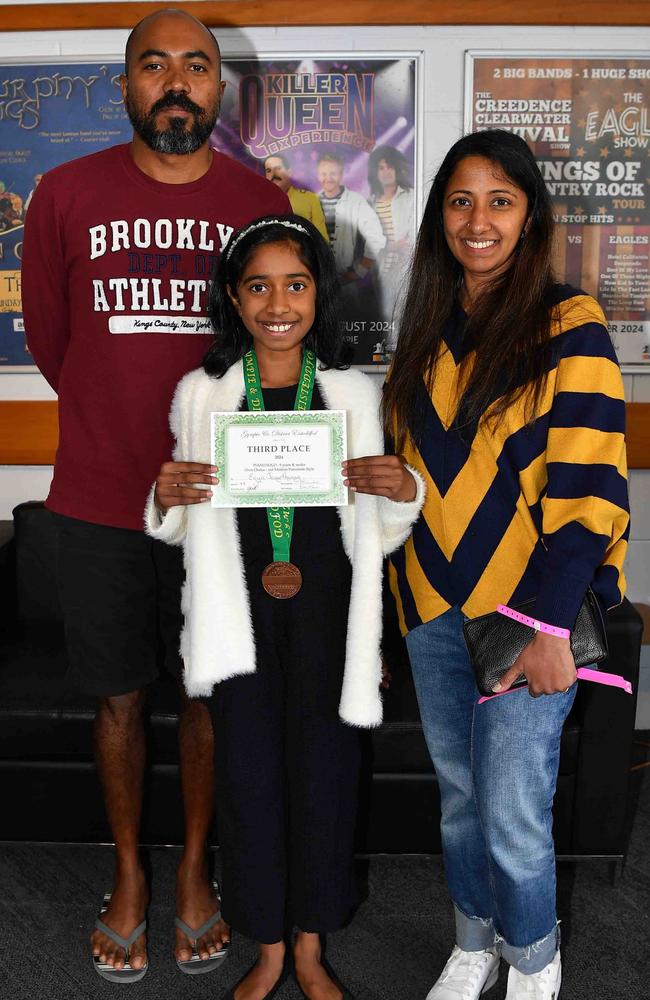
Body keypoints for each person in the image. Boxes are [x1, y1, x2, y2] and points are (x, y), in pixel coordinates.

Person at [21, 9, 289, 983]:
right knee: (120, 698)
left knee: (207, 692)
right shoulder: (63, 191)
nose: (175, 82)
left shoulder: (261, 199)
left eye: (196, 65)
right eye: (153, 65)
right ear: (124, 84)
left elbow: (279, 348)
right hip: (97, 497)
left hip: (223, 503)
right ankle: (131, 873)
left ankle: (192, 875)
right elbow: (53, 341)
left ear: (220, 89)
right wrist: (118, 424)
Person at [145, 214, 425, 1000]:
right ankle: (266, 947)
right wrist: (162, 497)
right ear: (233, 298)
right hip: (242, 624)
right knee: (249, 782)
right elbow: (181, 516)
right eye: (258, 285)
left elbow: (386, 524)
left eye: (295, 284)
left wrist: (402, 489)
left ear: (318, 295)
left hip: (330, 619)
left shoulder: (350, 392)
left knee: (327, 780)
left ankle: (309, 946)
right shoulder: (202, 395)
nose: (278, 301)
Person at [383, 130, 629, 1000]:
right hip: (432, 607)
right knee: (458, 797)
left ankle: (534, 961)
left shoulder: (570, 324)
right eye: (459, 199)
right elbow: (418, 479)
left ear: (530, 215)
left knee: (515, 810)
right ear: (438, 216)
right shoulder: (425, 337)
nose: (477, 219)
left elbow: (590, 488)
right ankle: (474, 941)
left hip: (529, 614)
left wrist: (550, 626)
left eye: (499, 199)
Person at [316, 152, 385, 295]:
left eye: (333, 173)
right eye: (324, 173)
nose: (328, 178)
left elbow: (376, 237)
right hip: (316, 281)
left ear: (341, 175)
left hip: (347, 282)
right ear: (318, 175)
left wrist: (359, 272)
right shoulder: (312, 201)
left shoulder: (356, 201)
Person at [366, 145, 414, 347]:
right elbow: (368, 239)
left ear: (398, 169)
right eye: (381, 168)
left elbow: (415, 227)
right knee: (383, 314)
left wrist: (407, 245)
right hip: (380, 267)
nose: (386, 173)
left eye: (389, 167)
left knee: (404, 313)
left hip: (405, 265)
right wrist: (388, 246)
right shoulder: (371, 202)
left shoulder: (410, 196)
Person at [264, 153, 329, 241]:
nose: (273, 174)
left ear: (289, 172)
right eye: (269, 171)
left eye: (278, 169)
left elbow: (322, 238)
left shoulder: (310, 199)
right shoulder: (261, 202)